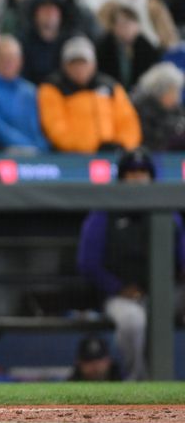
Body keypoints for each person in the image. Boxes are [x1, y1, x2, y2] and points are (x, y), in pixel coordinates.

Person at [78, 148, 185, 380]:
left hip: (165, 293)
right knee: (133, 321)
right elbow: (88, 263)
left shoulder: (169, 213)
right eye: (132, 173)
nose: (138, 177)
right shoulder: (104, 212)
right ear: (122, 178)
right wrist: (118, 288)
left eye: (143, 172)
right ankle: (138, 382)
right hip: (121, 295)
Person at [37, 36, 142, 153]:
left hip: (114, 155)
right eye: (74, 63)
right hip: (73, 158)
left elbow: (128, 122)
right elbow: (56, 129)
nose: (79, 68)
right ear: (64, 65)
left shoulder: (111, 87)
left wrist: (122, 145)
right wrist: (93, 147)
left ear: (93, 64)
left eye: (83, 63)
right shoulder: (53, 88)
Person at [0, 35, 48, 152]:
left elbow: (36, 128)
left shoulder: (29, 91)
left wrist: (41, 148)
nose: (8, 62)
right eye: (3, 58)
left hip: (32, 154)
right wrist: (26, 146)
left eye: (13, 58)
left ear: (20, 61)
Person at [95, 5, 159, 89]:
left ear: (137, 26)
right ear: (113, 27)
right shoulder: (104, 47)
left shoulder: (147, 47)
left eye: (129, 24)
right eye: (121, 24)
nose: (126, 28)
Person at [132, 62, 185, 151]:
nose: (177, 97)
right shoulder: (141, 109)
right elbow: (152, 140)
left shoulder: (176, 109)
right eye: (174, 91)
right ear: (162, 91)